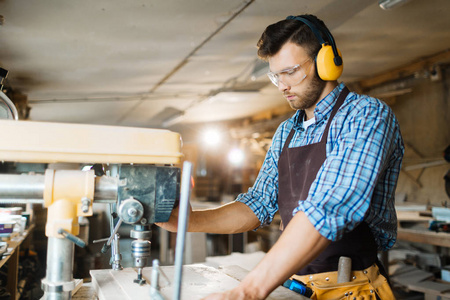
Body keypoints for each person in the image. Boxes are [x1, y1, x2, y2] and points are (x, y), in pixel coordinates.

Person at [157, 14, 404, 300]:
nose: (282, 86)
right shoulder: (288, 131)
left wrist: (248, 291)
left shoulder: (366, 115)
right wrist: (186, 222)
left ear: (327, 61)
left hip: (352, 288)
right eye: (276, 76)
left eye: (291, 72)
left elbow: (328, 208)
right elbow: (257, 204)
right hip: (298, 287)